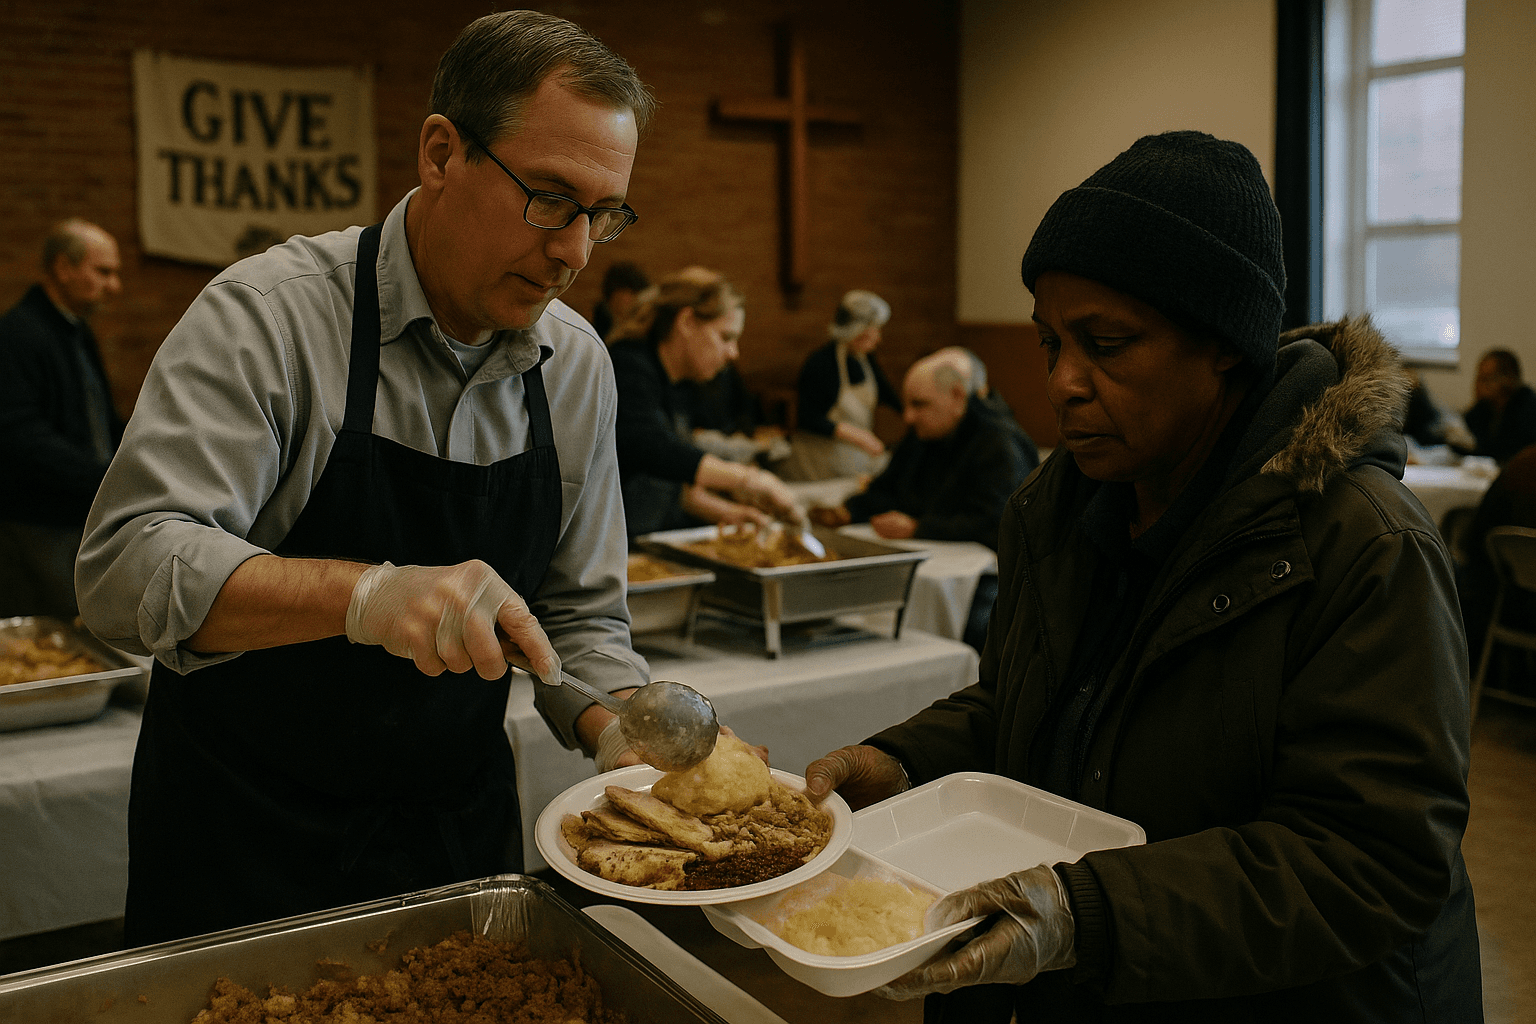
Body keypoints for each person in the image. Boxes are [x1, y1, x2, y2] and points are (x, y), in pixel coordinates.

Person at [804, 131, 1481, 1021]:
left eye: (1108, 343)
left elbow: (1372, 858)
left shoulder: (1363, 544)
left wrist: (1090, 915)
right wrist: (900, 761)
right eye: (1051, 344)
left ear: (1225, 347)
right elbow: (1031, 707)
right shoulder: (1062, 505)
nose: (1064, 384)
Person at [77, 11, 661, 947]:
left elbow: (579, 621)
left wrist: (623, 731)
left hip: (453, 843)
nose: (575, 251)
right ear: (441, 152)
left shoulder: (578, 365)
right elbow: (124, 569)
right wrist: (369, 596)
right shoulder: (268, 319)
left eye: (605, 215)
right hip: (245, 844)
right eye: (549, 198)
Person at [810, 348, 1038, 651]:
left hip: (989, 583)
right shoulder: (925, 433)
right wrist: (849, 511)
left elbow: (999, 524)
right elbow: (889, 488)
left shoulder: (1001, 445)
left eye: (919, 404)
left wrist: (919, 527)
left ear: (958, 396)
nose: (908, 416)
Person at [607, 266, 802, 537]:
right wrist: (752, 479)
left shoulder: (682, 384)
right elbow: (648, 446)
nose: (733, 353)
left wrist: (727, 512)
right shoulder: (628, 364)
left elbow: (671, 477)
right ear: (686, 322)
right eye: (726, 337)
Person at [0, 219, 125, 619]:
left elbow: (98, 419)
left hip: (79, 515)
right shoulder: (17, 334)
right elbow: (20, 435)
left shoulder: (75, 331)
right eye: (103, 271)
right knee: (60, 640)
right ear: (63, 268)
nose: (114, 286)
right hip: (38, 524)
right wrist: (105, 478)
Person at [774, 289, 902, 481]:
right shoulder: (821, 364)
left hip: (851, 452)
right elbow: (807, 418)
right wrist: (859, 436)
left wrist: (910, 413)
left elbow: (889, 395)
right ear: (857, 330)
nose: (878, 338)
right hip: (819, 456)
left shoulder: (865, 360)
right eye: (873, 330)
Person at [1459, 348, 1536, 463]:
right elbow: (1462, 435)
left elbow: (1506, 453)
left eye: (1485, 379)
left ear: (1508, 380)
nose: (1477, 385)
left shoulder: (1528, 411)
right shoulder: (1484, 408)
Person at [590, 259, 648, 339]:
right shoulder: (595, 330)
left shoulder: (640, 331)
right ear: (614, 295)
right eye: (631, 293)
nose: (635, 300)